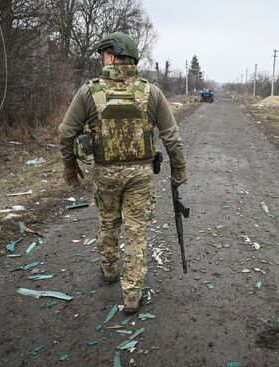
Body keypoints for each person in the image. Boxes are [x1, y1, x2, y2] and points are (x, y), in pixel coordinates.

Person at [58, 32, 187, 314]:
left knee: (108, 223)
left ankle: (108, 271)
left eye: (103, 53)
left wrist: (70, 165)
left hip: (104, 174)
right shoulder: (150, 92)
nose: (101, 58)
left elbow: (66, 132)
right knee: (136, 234)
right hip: (140, 176)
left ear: (113, 56)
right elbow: (171, 137)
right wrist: (179, 170)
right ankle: (131, 297)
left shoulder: (88, 91)